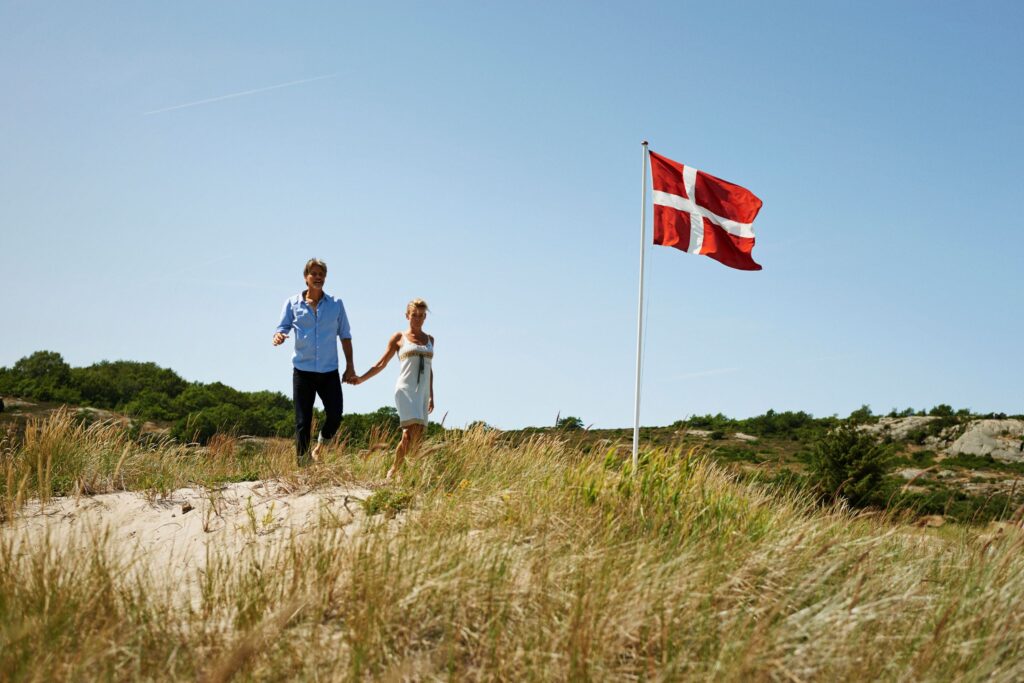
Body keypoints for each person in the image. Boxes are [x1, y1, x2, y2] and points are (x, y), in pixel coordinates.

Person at [273, 258, 355, 463]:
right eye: (314, 274)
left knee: (335, 415)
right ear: (306, 278)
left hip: (329, 371)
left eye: (321, 274)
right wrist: (279, 336)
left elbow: (345, 335)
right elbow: (282, 327)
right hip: (303, 370)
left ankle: (322, 443)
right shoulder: (292, 303)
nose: (318, 277)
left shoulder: (336, 304)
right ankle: (303, 464)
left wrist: (350, 366)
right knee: (302, 421)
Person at [353, 299, 434, 479]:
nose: (418, 319)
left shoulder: (430, 340)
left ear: (425, 317)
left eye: (421, 316)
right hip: (405, 389)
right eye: (414, 315)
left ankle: (402, 471)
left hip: (422, 393)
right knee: (409, 431)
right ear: (407, 316)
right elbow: (382, 363)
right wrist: (361, 379)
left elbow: (430, 369)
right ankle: (395, 472)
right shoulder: (399, 338)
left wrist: (431, 396)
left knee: (416, 437)